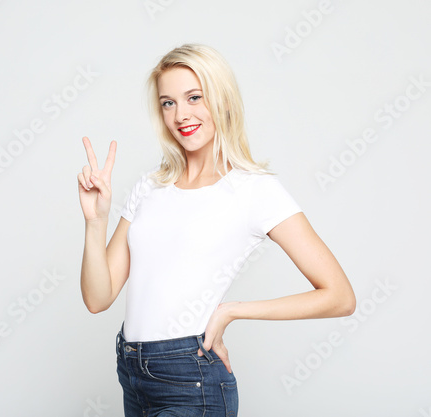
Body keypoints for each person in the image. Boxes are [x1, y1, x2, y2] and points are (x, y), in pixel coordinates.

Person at [77, 43, 356, 416]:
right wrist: (96, 222)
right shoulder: (149, 187)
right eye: (168, 102)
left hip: (190, 378)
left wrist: (232, 311)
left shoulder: (253, 189)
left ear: (222, 101)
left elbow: (340, 296)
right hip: (131, 370)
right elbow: (98, 298)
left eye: (194, 97)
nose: (180, 115)